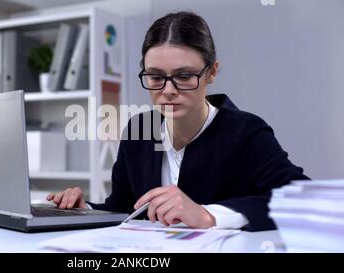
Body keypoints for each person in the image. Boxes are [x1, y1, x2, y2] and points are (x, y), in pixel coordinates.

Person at [46, 11, 309, 231]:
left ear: (212, 72)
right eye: (155, 77)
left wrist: (208, 215)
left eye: (184, 76)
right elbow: (125, 207)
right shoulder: (139, 130)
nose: (168, 90)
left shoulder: (245, 132)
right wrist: (86, 210)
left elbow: (301, 200)